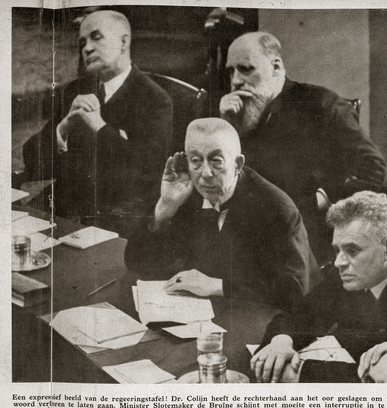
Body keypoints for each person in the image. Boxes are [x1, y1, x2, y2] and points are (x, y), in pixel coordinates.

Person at [219, 31, 387, 263]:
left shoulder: (321, 104)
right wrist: (227, 126)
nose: (236, 80)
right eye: (231, 71)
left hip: (306, 240)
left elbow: (373, 166)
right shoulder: (238, 114)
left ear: (276, 67)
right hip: (247, 237)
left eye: (246, 68)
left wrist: (320, 200)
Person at [124, 118, 319, 311]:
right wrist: (164, 208)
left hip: (275, 321)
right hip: (211, 313)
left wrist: (217, 286)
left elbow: (294, 292)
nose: (205, 173)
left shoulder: (276, 208)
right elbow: (137, 262)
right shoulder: (184, 193)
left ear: (238, 164)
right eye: (196, 161)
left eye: (216, 161)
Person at [23, 10, 172, 236]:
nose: (87, 48)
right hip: (61, 209)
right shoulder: (76, 90)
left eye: (96, 37)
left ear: (124, 41)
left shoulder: (155, 100)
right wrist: (62, 129)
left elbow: (146, 175)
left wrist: (99, 127)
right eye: (82, 42)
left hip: (114, 219)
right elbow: (32, 162)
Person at [251, 191, 387, 383]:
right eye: (337, 250)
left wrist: (299, 372)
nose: (338, 262)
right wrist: (281, 340)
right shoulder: (359, 271)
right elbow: (301, 313)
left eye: (352, 250)